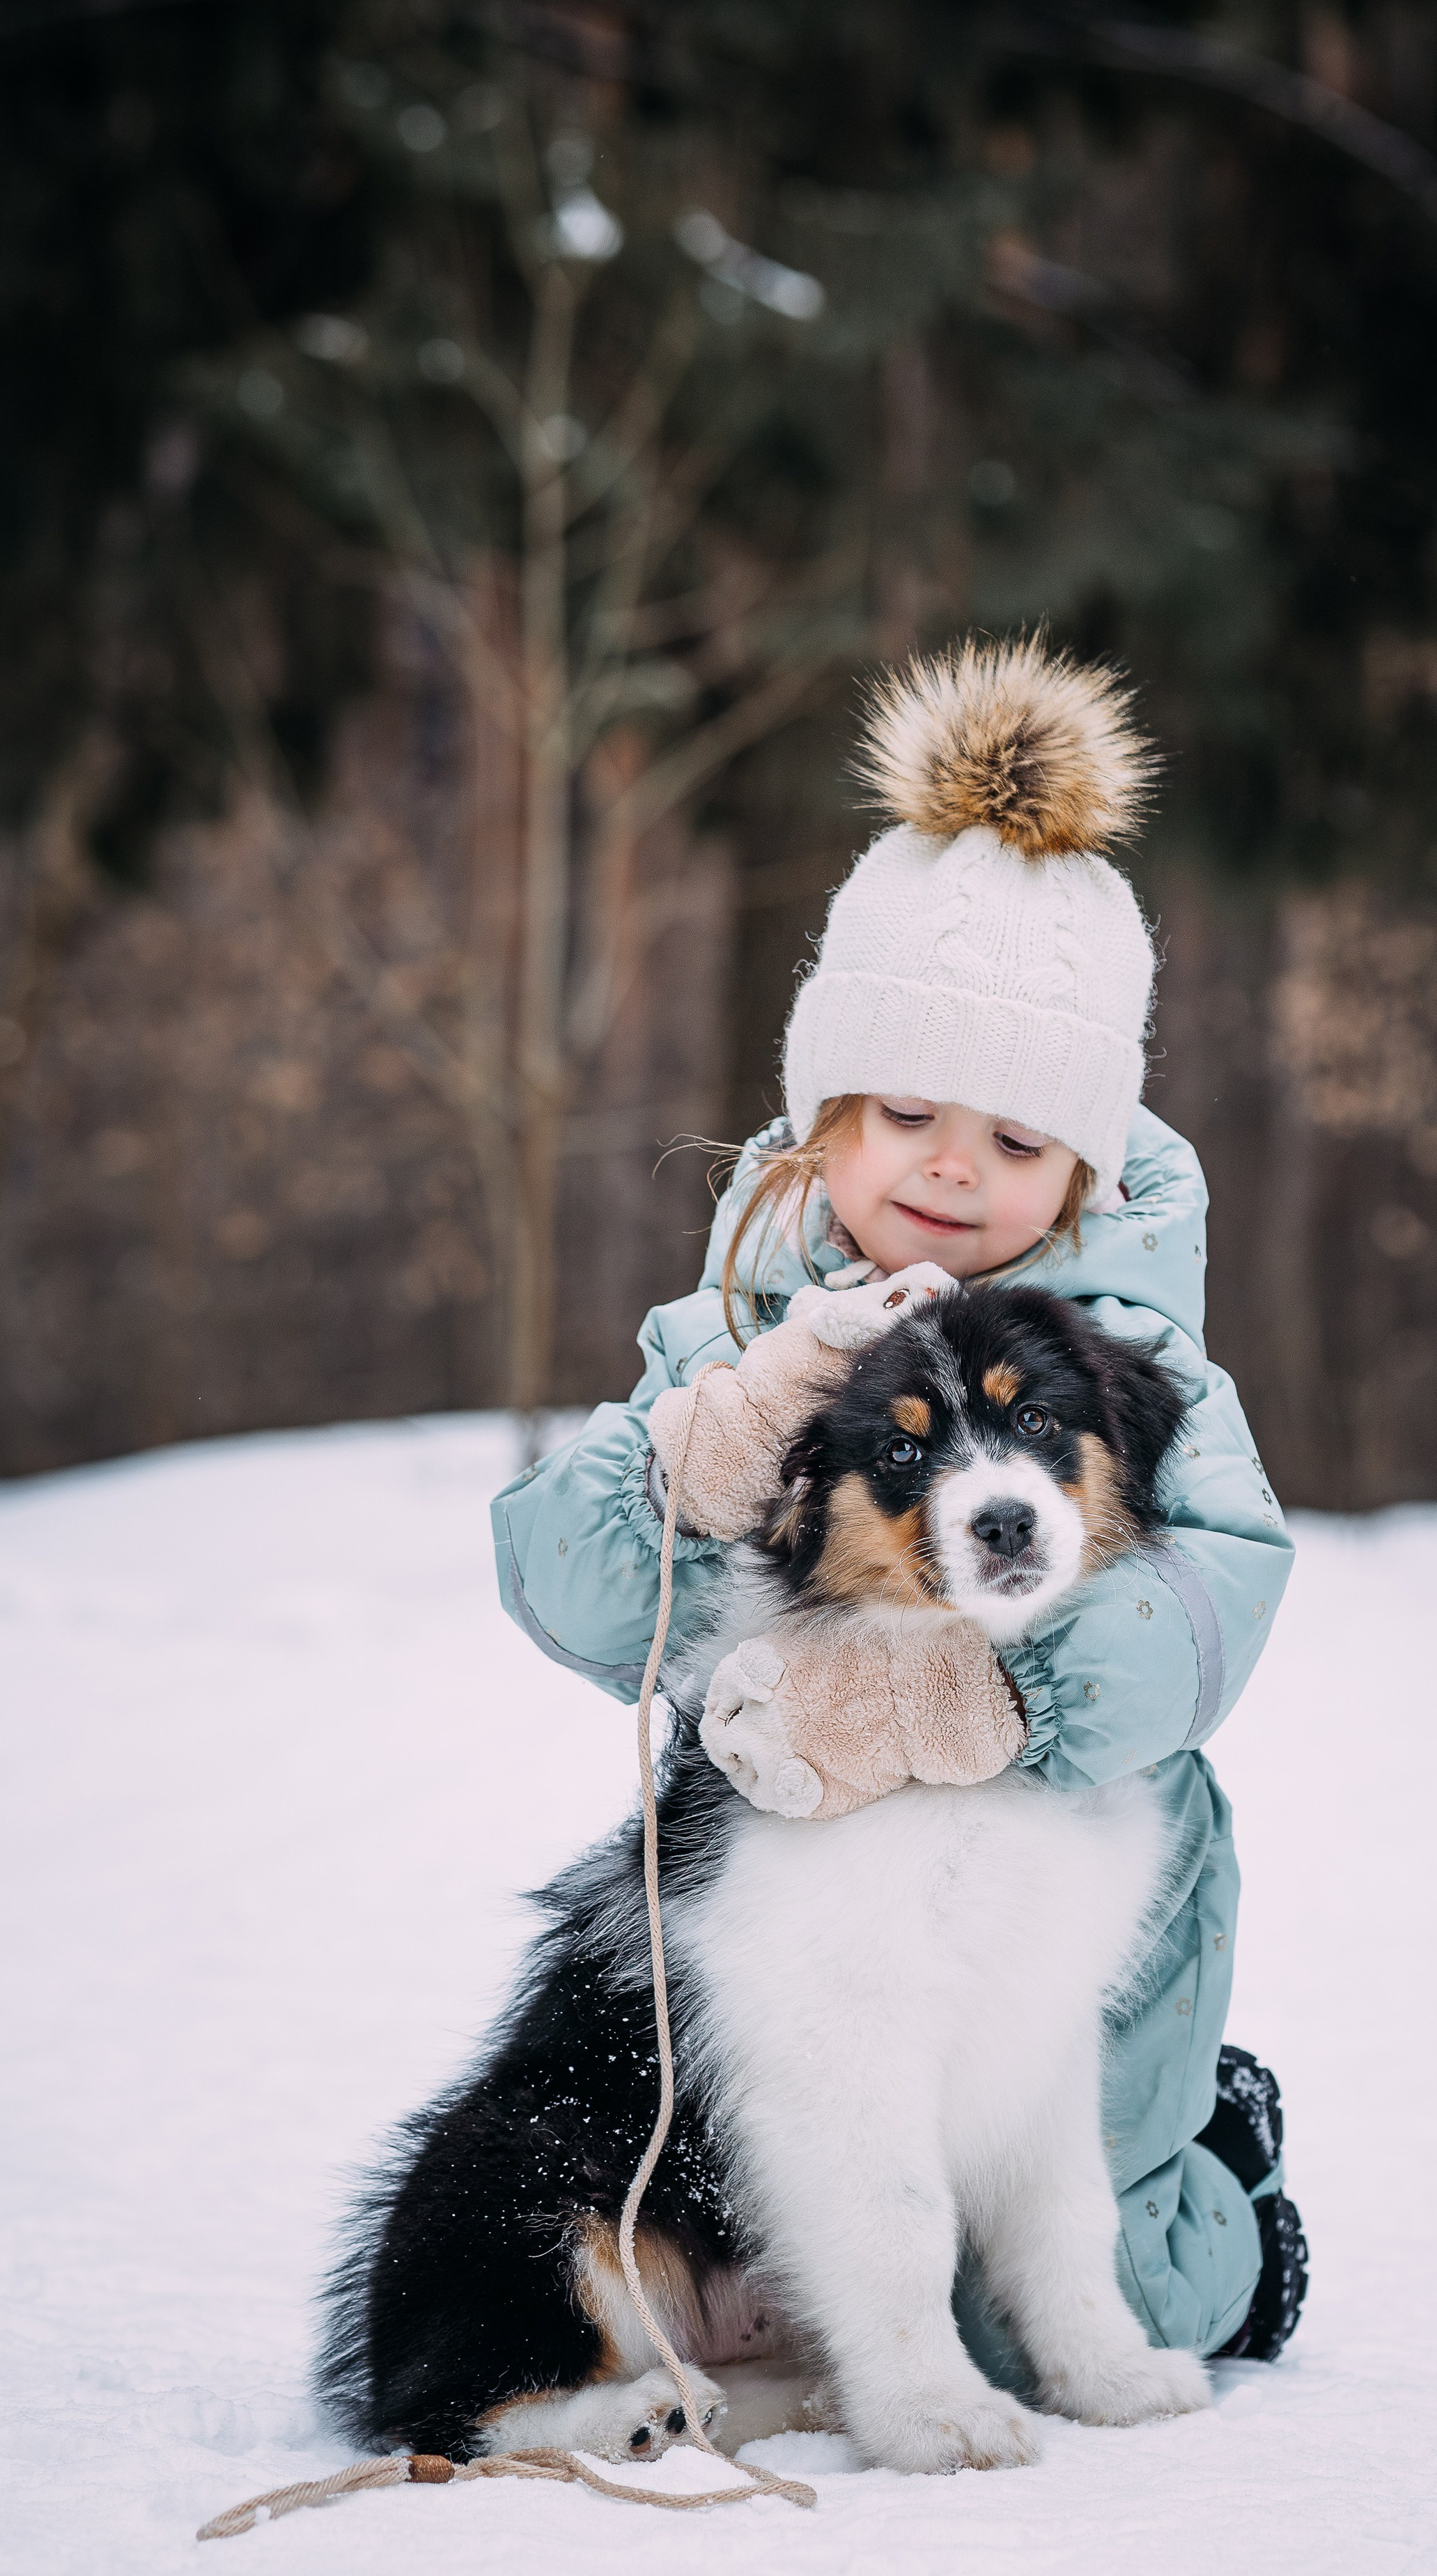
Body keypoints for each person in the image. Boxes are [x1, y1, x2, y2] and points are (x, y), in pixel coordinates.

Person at [490, 633, 1306, 2379]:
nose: (953, 1166)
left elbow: (1214, 1597)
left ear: (1083, 1167)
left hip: (1079, 1916)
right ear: (821, 1115)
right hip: (828, 1918)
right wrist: (689, 1455)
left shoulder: (1143, 1359)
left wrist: (989, 1692)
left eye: (1018, 1142)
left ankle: (1221, 2179)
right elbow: (574, 1601)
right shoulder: (726, 1339)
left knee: (1088, 2311)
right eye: (910, 1112)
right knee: (833, 2257)